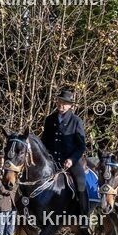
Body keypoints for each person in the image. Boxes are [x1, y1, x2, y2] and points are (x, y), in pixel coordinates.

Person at [40, 88, 88, 220]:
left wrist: (71, 160)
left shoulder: (76, 121)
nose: (61, 105)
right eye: (60, 102)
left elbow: (81, 146)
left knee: (80, 182)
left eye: (65, 103)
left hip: (70, 160)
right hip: (51, 160)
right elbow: (44, 142)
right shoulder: (50, 119)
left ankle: (83, 215)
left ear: (70, 105)